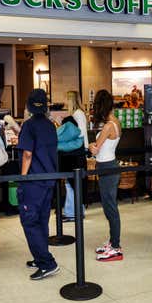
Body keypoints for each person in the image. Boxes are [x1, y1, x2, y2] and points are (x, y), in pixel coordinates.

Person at [17, 89, 60, 280]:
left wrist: (22, 178)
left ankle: (47, 262)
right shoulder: (50, 125)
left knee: (30, 221)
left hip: (33, 181)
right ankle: (39, 256)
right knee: (42, 220)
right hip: (49, 179)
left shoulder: (28, 125)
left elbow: (27, 154)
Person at [90, 90, 123, 262]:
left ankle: (116, 247)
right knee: (109, 207)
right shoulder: (115, 121)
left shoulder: (109, 125)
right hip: (109, 166)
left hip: (107, 168)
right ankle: (113, 242)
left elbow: (95, 148)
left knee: (110, 208)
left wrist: (90, 146)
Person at [63, 91, 88, 222]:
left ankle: (74, 212)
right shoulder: (78, 114)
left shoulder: (78, 114)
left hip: (76, 152)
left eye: (67, 99)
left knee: (73, 183)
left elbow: (80, 134)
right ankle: (72, 211)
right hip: (77, 151)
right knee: (72, 183)